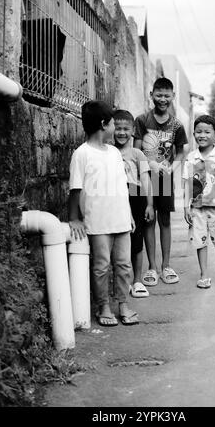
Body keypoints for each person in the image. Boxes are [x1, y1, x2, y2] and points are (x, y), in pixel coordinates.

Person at [68, 100, 139, 326]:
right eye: (112, 123)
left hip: (121, 219)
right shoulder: (82, 154)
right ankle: (104, 307)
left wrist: (128, 214)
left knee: (124, 264)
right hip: (98, 222)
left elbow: (122, 187)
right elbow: (75, 188)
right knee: (101, 266)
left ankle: (124, 304)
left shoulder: (115, 153)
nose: (114, 129)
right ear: (103, 124)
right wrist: (74, 218)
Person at [134, 77, 188, 286]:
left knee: (164, 221)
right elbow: (136, 151)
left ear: (173, 97)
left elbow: (181, 154)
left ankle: (166, 265)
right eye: (159, 95)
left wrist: (171, 169)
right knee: (149, 221)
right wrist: (150, 165)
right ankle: (152, 267)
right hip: (145, 180)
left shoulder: (176, 125)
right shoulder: (142, 120)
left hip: (165, 180)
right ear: (151, 95)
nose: (162, 99)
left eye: (167, 95)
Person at [182, 114, 215, 289]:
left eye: (207, 132)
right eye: (198, 132)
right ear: (194, 134)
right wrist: (185, 207)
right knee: (200, 241)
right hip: (197, 208)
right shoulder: (191, 158)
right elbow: (188, 183)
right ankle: (204, 274)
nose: (202, 135)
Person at [113, 109, 154, 298]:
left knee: (137, 240)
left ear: (132, 131)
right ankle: (121, 281)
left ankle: (137, 280)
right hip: (115, 197)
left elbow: (145, 179)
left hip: (135, 196)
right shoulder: (109, 152)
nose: (122, 132)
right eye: (117, 128)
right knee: (118, 240)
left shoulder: (137, 153)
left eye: (126, 129)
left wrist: (149, 204)